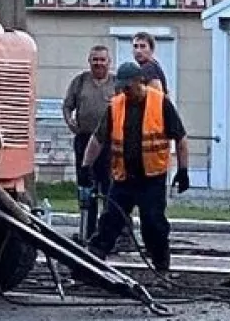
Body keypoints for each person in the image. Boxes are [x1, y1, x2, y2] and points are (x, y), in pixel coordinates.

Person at [82, 62, 190, 285]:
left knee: (153, 223)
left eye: (127, 87)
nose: (125, 92)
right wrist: (86, 166)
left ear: (139, 81)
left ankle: (162, 268)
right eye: (121, 88)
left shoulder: (160, 102)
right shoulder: (116, 106)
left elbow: (180, 137)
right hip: (124, 177)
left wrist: (183, 170)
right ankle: (90, 265)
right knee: (110, 220)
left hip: (152, 177)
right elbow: (98, 138)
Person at [62, 45, 115, 242]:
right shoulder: (80, 81)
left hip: (108, 144)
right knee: (86, 186)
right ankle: (87, 230)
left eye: (102, 60)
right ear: (89, 61)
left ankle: (108, 232)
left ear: (109, 62)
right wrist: (70, 121)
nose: (98, 63)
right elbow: (67, 106)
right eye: (95, 60)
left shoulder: (116, 83)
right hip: (84, 141)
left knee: (109, 187)